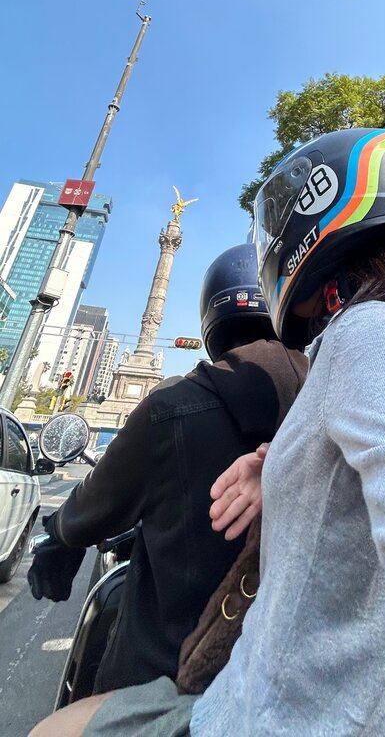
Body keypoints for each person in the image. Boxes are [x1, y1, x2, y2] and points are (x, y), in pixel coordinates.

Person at [29, 129, 385, 737]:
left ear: (315, 216)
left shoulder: (369, 329)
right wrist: (283, 467)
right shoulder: (382, 347)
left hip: (264, 716)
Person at [27, 243, 306, 693]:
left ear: (212, 315)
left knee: (54, 727)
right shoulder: (335, 409)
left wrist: (60, 532)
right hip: (300, 685)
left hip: (166, 684)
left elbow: (93, 505)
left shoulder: (170, 408)